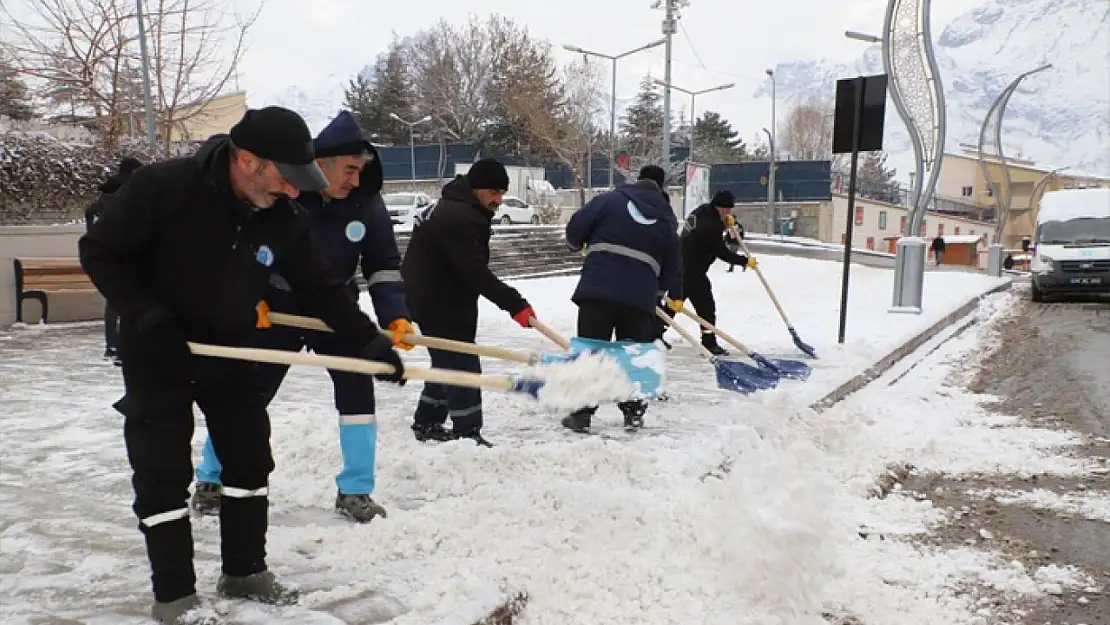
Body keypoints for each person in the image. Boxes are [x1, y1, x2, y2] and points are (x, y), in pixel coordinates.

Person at [78, 106, 407, 625]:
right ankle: (176, 598)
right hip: (157, 346)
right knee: (162, 471)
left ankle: (244, 571)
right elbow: (100, 252)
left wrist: (368, 342)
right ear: (248, 160)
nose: (295, 193)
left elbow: (321, 287)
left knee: (250, 456)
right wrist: (146, 317)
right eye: (286, 179)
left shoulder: (280, 215)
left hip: (231, 345)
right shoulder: (162, 189)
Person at [189, 110, 411, 524]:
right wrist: (249, 297)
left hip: (337, 311)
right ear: (322, 164)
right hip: (277, 310)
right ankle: (211, 477)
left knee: (358, 395)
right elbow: (249, 250)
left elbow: (383, 266)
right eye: (349, 169)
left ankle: (356, 490)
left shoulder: (367, 204)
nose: (355, 179)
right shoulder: (285, 194)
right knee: (247, 394)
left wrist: (395, 316)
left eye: (360, 171)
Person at [402, 158, 537, 447]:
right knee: (461, 363)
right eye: (493, 192)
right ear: (476, 189)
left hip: (435, 295)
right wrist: (515, 304)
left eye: (502, 192)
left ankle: (427, 422)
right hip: (439, 299)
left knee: (445, 360)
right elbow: (474, 271)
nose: (498, 200)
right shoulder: (460, 217)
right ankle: (468, 432)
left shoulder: (454, 207)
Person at [560, 168, 682, 433]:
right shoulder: (666, 218)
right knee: (634, 355)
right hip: (639, 298)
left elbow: (575, 230)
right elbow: (672, 264)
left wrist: (576, 243)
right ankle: (633, 413)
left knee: (592, 352)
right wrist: (657, 294)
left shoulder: (611, 200)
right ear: (661, 188)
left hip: (599, 289)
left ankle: (581, 414)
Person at [666, 190, 756, 356]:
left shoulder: (702, 210)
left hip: (680, 265)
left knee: (673, 304)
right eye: (725, 210)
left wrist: (726, 223)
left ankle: (653, 335)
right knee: (706, 307)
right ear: (717, 207)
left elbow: (712, 227)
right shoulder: (710, 226)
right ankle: (709, 343)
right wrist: (744, 261)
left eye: (730, 210)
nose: (728, 213)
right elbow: (721, 252)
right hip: (693, 270)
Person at [85, 156, 143, 365]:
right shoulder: (127, 195)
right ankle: (123, 346)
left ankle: (112, 345)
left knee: (114, 303)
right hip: (128, 256)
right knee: (129, 303)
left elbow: (90, 221)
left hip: (108, 257)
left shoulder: (103, 199)